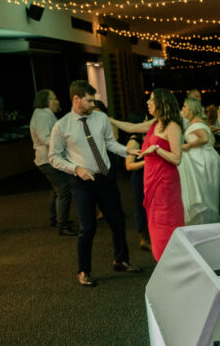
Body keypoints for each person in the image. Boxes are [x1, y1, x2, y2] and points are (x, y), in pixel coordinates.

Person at [48, 80, 141, 287]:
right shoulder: (61, 126)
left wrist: (127, 150)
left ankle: (120, 260)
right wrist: (76, 169)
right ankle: (83, 271)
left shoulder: (100, 118)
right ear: (76, 99)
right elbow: (53, 157)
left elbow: (109, 142)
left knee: (117, 221)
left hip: (105, 177)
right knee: (87, 228)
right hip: (82, 182)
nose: (93, 104)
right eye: (89, 100)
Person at [110, 89, 184, 262]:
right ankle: (163, 261)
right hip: (150, 180)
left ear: (162, 103)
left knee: (165, 222)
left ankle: (172, 260)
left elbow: (177, 158)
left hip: (165, 182)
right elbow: (131, 127)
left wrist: (157, 150)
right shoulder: (154, 123)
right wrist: (110, 120)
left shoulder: (172, 126)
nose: (148, 102)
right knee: (154, 222)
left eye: (151, 100)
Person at [30, 89, 75, 236]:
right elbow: (45, 138)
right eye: (54, 98)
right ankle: (62, 225)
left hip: (46, 159)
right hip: (48, 159)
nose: (57, 101)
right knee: (64, 190)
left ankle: (55, 218)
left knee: (57, 189)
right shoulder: (43, 116)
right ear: (46, 101)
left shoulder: (42, 115)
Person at [178, 97, 220, 224]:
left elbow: (204, 138)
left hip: (201, 162)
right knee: (205, 195)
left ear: (191, 108)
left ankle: (204, 224)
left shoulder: (196, 122)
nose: (183, 109)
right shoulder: (197, 121)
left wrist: (188, 146)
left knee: (203, 195)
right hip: (204, 159)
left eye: (185, 106)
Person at [123, 111, 151, 251]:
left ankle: (149, 237)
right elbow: (129, 165)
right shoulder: (133, 141)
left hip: (147, 176)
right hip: (139, 178)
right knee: (141, 207)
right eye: (145, 121)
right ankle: (144, 239)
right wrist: (149, 161)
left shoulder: (143, 137)